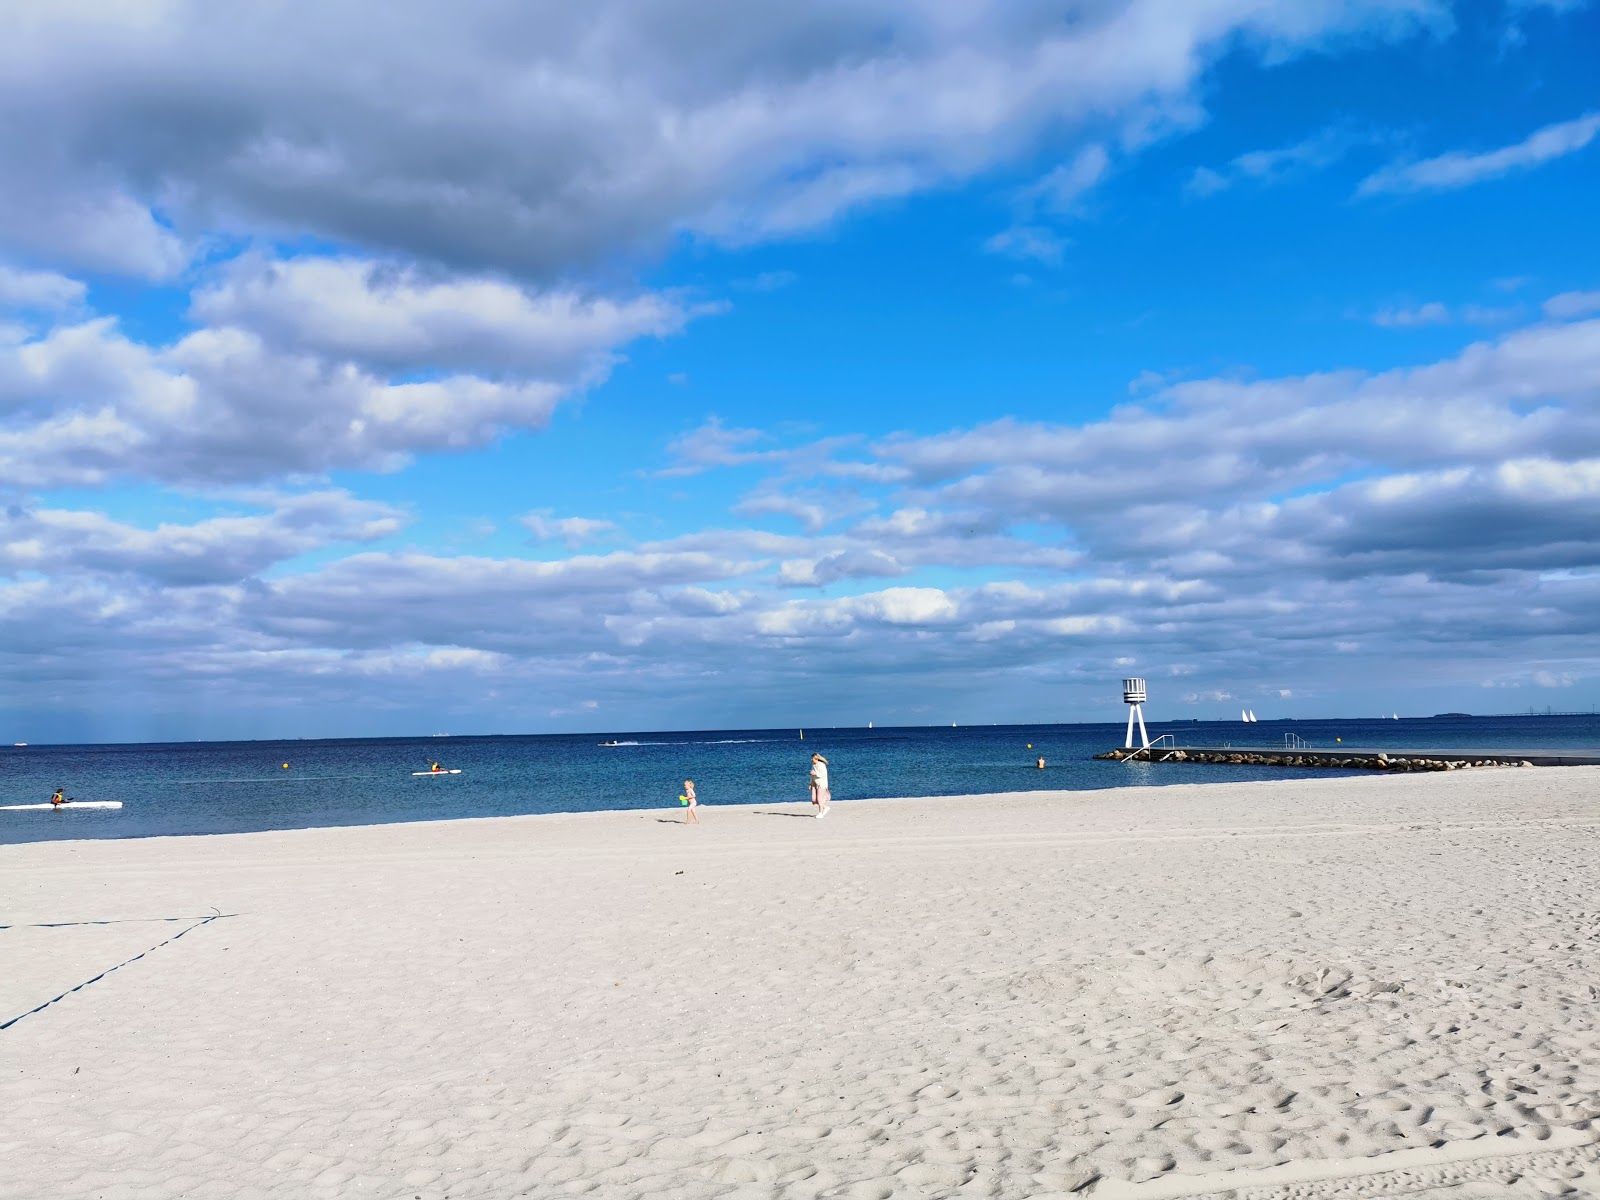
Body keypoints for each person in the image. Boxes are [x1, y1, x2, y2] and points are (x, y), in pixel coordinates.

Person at [809, 753, 831, 819]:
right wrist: (810, 783)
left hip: (821, 784)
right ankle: (825, 807)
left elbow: (823, 774)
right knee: (814, 800)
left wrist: (815, 773)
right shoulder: (813, 765)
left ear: (816, 758)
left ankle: (820, 813)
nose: (811, 760)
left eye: (812, 758)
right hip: (814, 784)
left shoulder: (822, 765)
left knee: (819, 799)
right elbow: (812, 775)